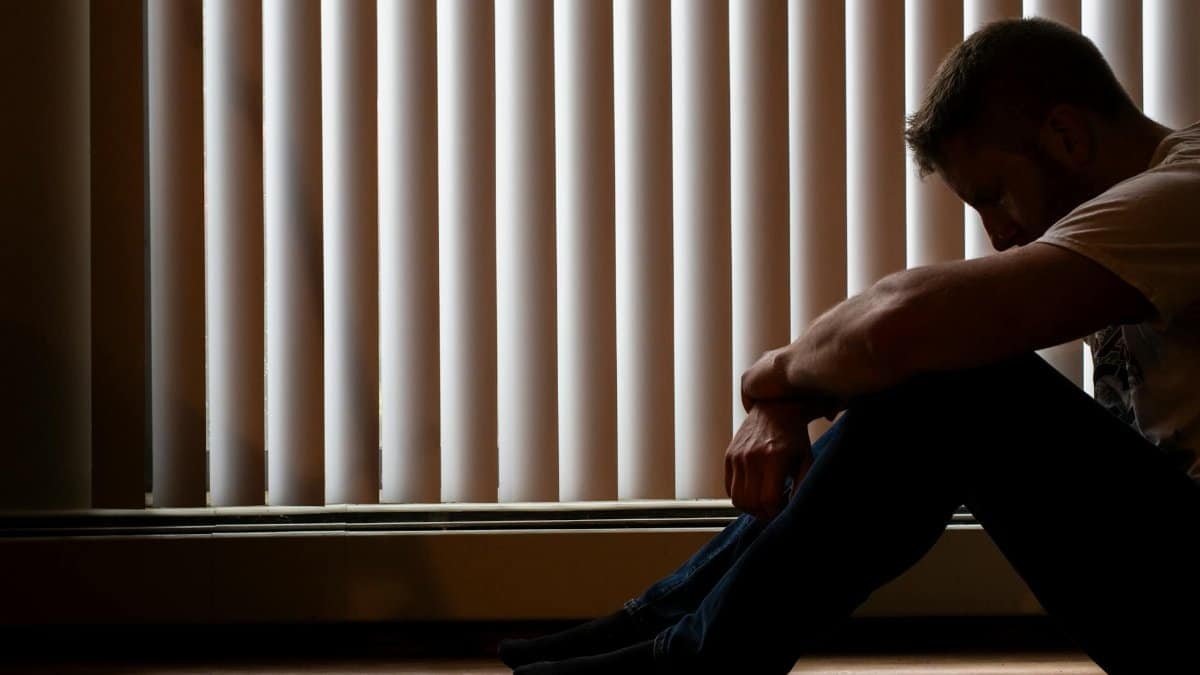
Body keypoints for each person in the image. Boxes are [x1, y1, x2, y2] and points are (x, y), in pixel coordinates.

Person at [499, 17, 1200, 674]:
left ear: (1067, 137)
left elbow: (898, 321)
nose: (998, 233)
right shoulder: (1141, 227)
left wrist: (771, 380)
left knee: (960, 380)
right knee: (942, 367)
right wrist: (792, 397)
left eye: (995, 195)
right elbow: (894, 331)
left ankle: (683, 661)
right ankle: (657, 629)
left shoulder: (1184, 191)